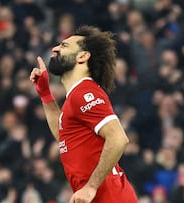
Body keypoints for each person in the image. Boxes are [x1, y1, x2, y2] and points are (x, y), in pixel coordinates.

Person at [30, 25, 137, 202]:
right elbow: (64, 135)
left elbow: (119, 138)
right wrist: (45, 94)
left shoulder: (85, 93)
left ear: (83, 56)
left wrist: (91, 187)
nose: (55, 48)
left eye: (64, 46)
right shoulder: (74, 98)